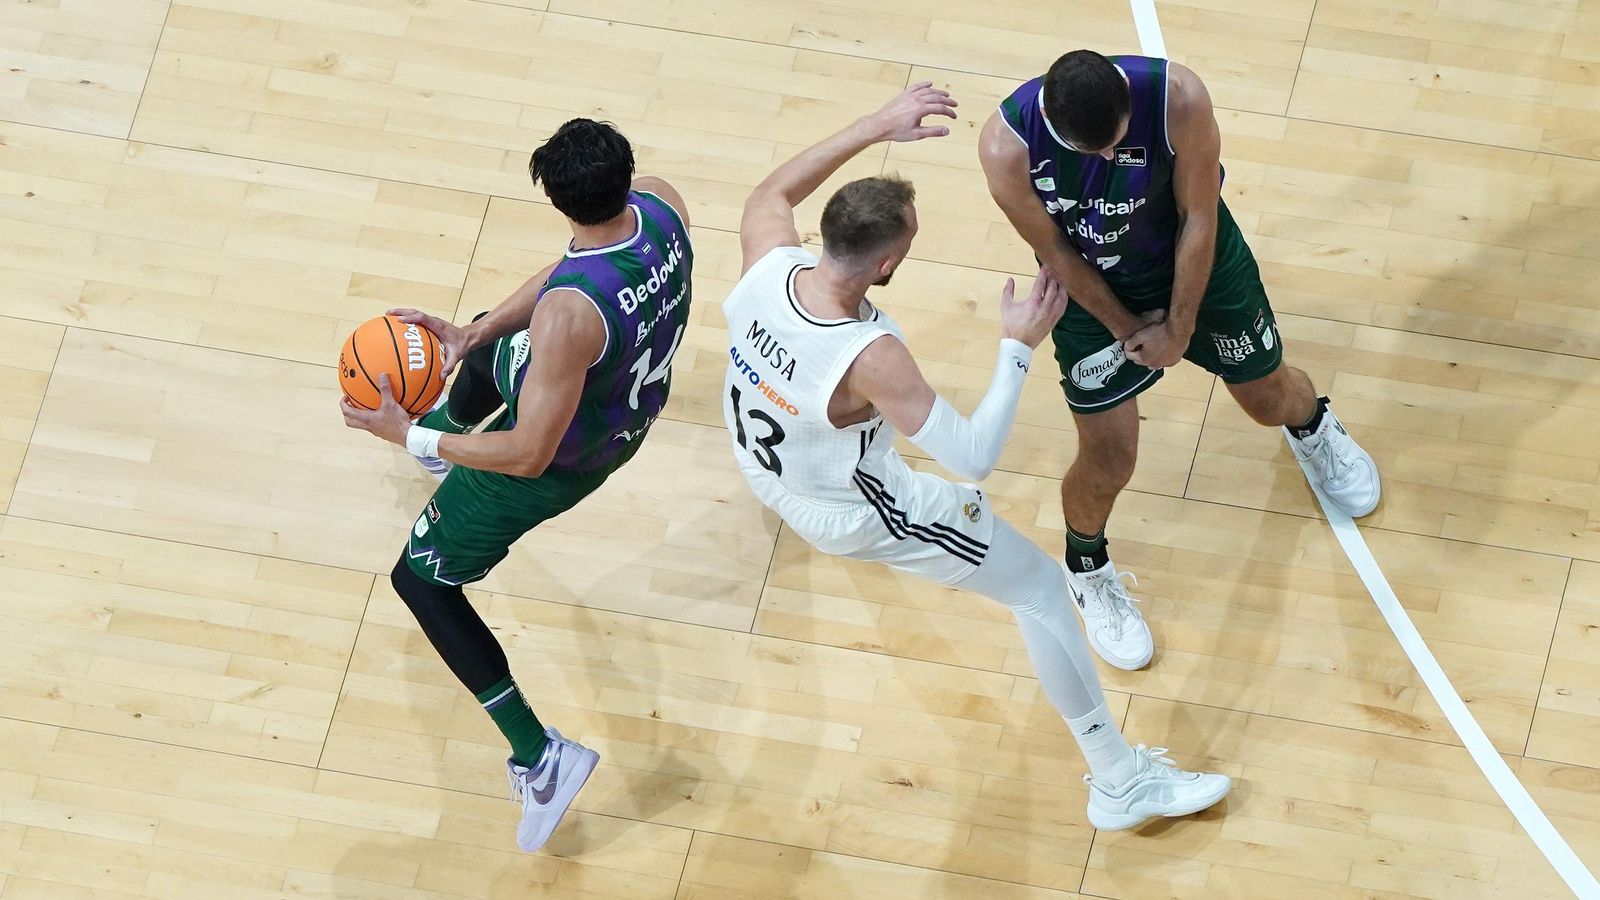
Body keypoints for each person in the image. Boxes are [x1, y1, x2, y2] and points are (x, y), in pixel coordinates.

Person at [724, 82, 1230, 830]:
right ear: (888, 261)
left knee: (1014, 567)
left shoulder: (767, 258)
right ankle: (1119, 781)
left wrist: (876, 122)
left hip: (766, 460)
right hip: (855, 507)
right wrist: (1016, 346)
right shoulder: (870, 357)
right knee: (1038, 587)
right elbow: (974, 456)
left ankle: (1121, 775)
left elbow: (773, 188)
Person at [341, 118, 692, 852]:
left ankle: (541, 759)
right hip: (626, 397)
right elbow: (567, 276)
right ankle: (455, 428)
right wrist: (474, 336)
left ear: (555, 197)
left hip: (563, 461)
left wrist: (407, 434)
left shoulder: (570, 316)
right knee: (488, 333)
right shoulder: (661, 205)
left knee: (423, 582)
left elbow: (530, 452)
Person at [979, 50, 1381, 670]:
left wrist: (1179, 326)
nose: (1112, 160)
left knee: (1269, 400)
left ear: (1126, 102)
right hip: (1091, 289)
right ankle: (1086, 566)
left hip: (1196, 260)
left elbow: (1200, 214)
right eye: (1096, 155)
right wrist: (1126, 327)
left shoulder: (1179, 98)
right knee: (1110, 457)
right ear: (1059, 132)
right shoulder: (1007, 150)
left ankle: (1314, 425)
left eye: (1118, 144)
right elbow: (1056, 253)